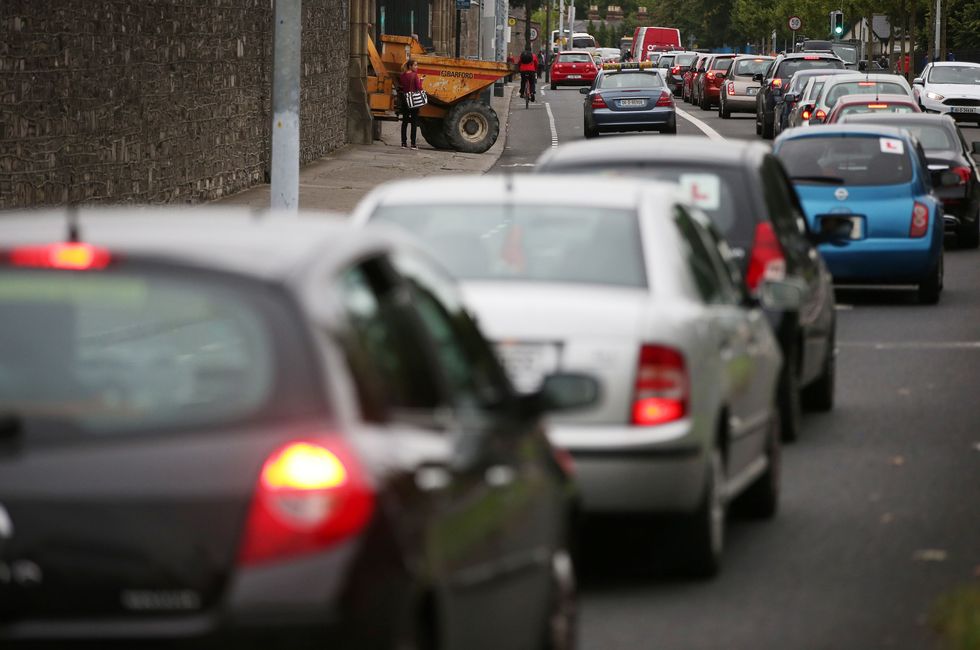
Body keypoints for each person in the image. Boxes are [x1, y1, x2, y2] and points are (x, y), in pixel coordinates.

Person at [398, 58, 423, 150]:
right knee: (413, 122)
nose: (417, 67)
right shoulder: (414, 75)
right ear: (410, 66)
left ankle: (403, 143)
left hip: (405, 100)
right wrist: (421, 81)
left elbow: (402, 86)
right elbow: (419, 88)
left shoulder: (402, 75)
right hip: (413, 100)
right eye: (415, 65)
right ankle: (413, 144)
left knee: (404, 122)